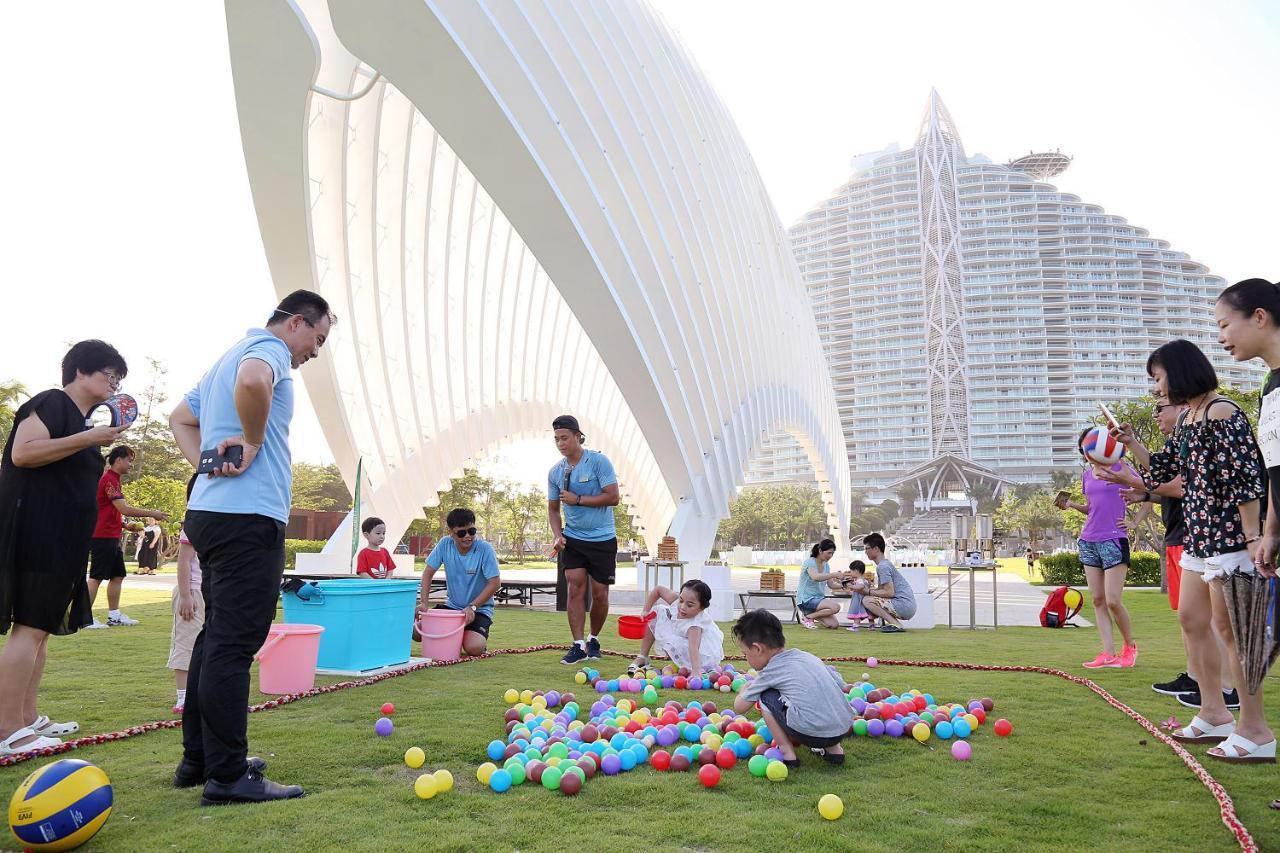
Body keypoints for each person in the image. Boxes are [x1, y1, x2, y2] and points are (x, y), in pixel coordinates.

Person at [167, 289, 333, 803]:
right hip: (247, 519)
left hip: (211, 514)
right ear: (295, 324)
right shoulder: (269, 353)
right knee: (234, 645)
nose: (315, 353)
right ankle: (228, 775)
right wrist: (254, 440)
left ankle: (199, 760)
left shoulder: (225, 357)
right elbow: (255, 382)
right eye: (318, 339)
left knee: (215, 638)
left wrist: (206, 466)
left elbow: (179, 418)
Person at [1110, 336, 1270, 761]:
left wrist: (1253, 538)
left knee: (1233, 632)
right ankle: (1213, 712)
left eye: (1158, 378)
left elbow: (1247, 482)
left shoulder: (1222, 411)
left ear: (1179, 372)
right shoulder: (1188, 418)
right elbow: (1163, 469)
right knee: (1192, 619)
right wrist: (1131, 445)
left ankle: (1254, 729)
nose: (1157, 389)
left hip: (1230, 539)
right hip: (1198, 539)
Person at [0, 340, 129, 755]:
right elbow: (23, 453)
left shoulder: (81, 423)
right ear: (80, 372)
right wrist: (87, 437)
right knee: (30, 628)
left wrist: (89, 437)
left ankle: (26, 718)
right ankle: (6, 730)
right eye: (110, 374)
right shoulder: (53, 403)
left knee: (40, 631)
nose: (114, 384)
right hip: (37, 532)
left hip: (64, 539)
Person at [1107, 394, 1237, 707]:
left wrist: (1139, 485)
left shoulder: (1206, 426)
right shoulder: (1177, 440)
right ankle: (1198, 678)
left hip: (1199, 537)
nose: (1155, 414)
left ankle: (1226, 687)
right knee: (1190, 617)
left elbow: (1180, 485)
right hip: (1181, 537)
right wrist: (1145, 491)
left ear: (1181, 406)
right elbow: (1165, 476)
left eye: (1159, 406)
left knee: (1210, 619)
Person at [1055, 429, 1139, 668]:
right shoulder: (1088, 476)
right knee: (1099, 599)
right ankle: (1108, 652)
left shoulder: (1121, 468)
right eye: (1083, 450)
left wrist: (1134, 522)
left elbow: (1147, 493)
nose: (1087, 454)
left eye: (1089, 448)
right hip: (1088, 539)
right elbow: (1093, 508)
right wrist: (1071, 505)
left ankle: (1129, 647)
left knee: (1113, 600)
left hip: (1114, 539)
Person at [732, 609, 854, 766]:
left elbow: (739, 707)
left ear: (757, 649)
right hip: (841, 730)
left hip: (812, 735)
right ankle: (835, 751)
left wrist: (744, 689)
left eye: (745, 654)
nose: (746, 659)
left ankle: (787, 752)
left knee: (766, 696)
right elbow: (839, 684)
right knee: (819, 698)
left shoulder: (770, 671)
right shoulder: (808, 657)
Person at [547, 414, 620, 665]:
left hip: (603, 539)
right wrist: (558, 535)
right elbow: (554, 510)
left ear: (578, 436)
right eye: (556, 439)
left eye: (565, 438)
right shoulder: (555, 472)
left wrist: (578, 500)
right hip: (573, 538)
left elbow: (613, 497)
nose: (560, 443)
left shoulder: (599, 462)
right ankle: (578, 645)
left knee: (600, 593)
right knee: (574, 586)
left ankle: (594, 638)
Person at [85, 444, 168, 628]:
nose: (131, 465)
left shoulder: (114, 479)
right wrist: (151, 513)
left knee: (117, 576)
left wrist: (125, 525)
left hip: (111, 535)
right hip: (103, 536)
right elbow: (123, 508)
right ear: (118, 460)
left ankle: (114, 616)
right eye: (129, 461)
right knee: (96, 577)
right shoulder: (109, 480)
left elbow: (109, 510)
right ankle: (85, 618)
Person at [417, 508, 502, 656]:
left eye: (472, 531)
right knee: (416, 632)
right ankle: (456, 632)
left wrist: (472, 607)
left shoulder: (485, 549)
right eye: (462, 533)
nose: (468, 536)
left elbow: (495, 583)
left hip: (479, 610)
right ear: (451, 533)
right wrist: (424, 603)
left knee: (474, 648)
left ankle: (465, 634)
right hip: (452, 608)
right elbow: (427, 573)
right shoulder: (445, 544)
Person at [628, 579, 723, 675]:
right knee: (656, 614)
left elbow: (694, 648)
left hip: (699, 653)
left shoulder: (695, 625)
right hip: (684, 637)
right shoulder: (676, 601)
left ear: (701, 608)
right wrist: (645, 611)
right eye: (681, 601)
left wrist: (695, 671)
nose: (682, 607)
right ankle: (642, 657)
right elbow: (658, 589)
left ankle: (688, 665)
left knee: (673, 642)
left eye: (689, 605)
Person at [170, 476, 204, 715]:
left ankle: (202, 693)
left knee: (207, 644)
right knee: (186, 642)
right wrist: (185, 595)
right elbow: (184, 561)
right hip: (191, 591)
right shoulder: (193, 521)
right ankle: (183, 697)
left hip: (209, 590)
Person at [860, 532, 916, 633]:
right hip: (906, 604)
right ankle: (890, 623)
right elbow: (881, 591)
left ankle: (895, 624)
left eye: (867, 548)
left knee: (867, 600)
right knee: (868, 598)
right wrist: (868, 587)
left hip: (903, 605)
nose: (865, 551)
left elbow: (889, 593)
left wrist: (868, 591)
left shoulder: (883, 566)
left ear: (876, 549)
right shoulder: (883, 565)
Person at [795, 538, 851, 629]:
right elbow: (815, 577)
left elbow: (831, 585)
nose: (831, 555)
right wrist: (834, 574)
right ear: (820, 551)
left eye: (832, 553)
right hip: (806, 599)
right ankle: (809, 617)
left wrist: (845, 584)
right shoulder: (810, 562)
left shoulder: (826, 566)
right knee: (836, 607)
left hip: (818, 601)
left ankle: (810, 615)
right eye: (829, 553)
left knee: (833, 625)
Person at [840, 560, 872, 630]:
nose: (850, 573)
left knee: (857, 613)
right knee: (868, 612)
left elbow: (861, 586)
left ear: (856, 571)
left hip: (858, 600)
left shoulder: (860, 580)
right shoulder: (863, 579)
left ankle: (855, 626)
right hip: (864, 599)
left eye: (851, 571)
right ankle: (871, 625)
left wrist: (851, 586)